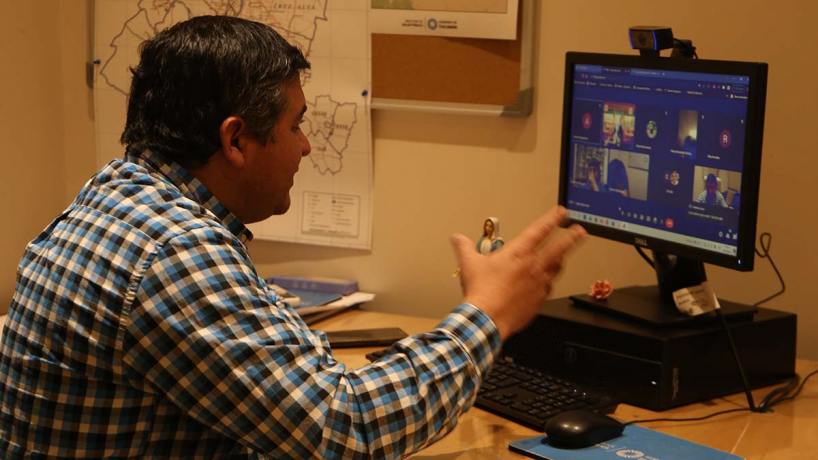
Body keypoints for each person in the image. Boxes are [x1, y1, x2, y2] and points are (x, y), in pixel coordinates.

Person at [0, 16, 585, 458]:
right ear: (235, 140)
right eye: (296, 125)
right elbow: (347, 428)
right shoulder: (173, 252)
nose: (305, 146)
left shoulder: (116, 193)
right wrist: (487, 314)